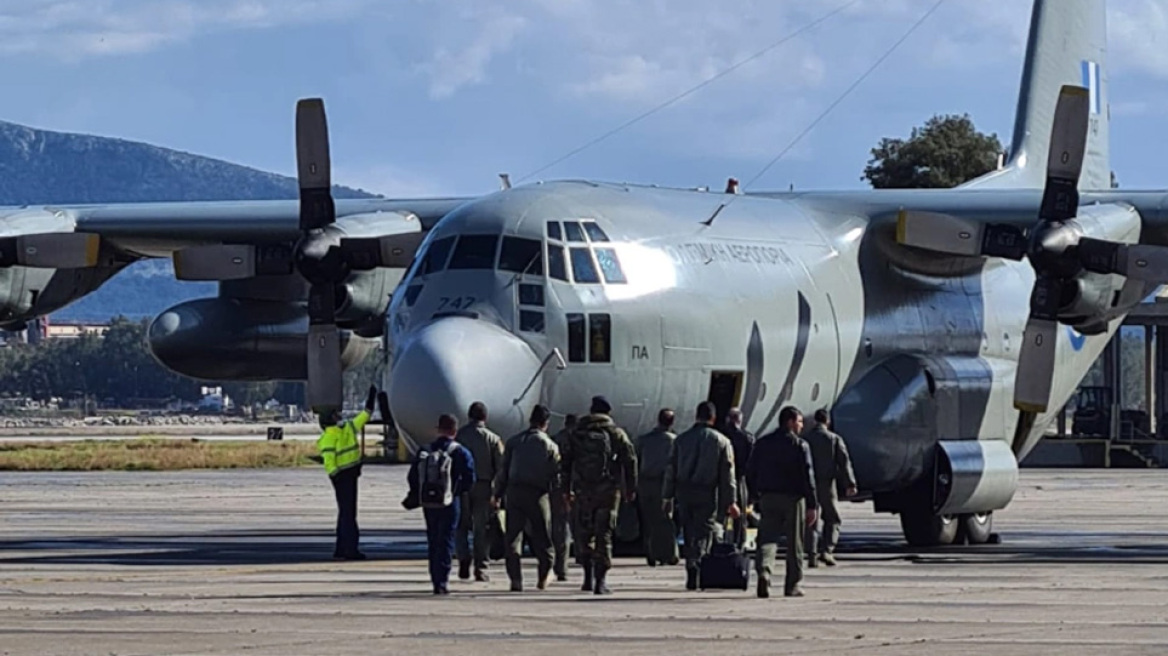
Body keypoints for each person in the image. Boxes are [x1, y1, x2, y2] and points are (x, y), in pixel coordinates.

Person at [561, 395, 637, 595]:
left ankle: (586, 578)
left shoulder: (577, 433)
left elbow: (566, 463)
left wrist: (565, 490)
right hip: (608, 491)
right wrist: (630, 488)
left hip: (582, 490)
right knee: (604, 533)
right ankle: (600, 582)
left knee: (584, 532)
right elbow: (630, 461)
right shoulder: (615, 433)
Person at [663, 401, 738, 591]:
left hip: (684, 491)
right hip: (707, 492)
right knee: (704, 532)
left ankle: (690, 564)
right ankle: (697, 563)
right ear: (713, 418)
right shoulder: (721, 441)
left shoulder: (680, 440)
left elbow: (671, 469)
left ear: (696, 416)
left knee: (688, 531)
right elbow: (727, 475)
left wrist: (667, 496)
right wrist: (731, 501)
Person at [747, 406, 818, 598]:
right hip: (793, 499)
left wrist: (754, 495)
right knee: (795, 544)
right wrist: (813, 505)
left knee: (767, 538)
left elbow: (750, 471)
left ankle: (764, 571)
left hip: (768, 497)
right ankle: (792, 585)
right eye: (799, 421)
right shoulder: (800, 445)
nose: (802, 426)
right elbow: (808, 476)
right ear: (790, 422)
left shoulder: (763, 443)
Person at [404, 414, 476, 595]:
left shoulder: (425, 450)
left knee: (433, 539)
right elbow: (470, 478)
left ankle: (434, 577)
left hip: (429, 502)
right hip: (450, 502)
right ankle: (442, 581)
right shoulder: (460, 452)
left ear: (438, 429)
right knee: (446, 540)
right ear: (455, 430)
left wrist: (420, 493)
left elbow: (412, 476)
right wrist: (456, 491)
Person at [494, 405, 561, 592]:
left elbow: (503, 471)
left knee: (513, 538)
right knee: (543, 536)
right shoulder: (549, 445)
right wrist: (560, 495)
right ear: (545, 423)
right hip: (538, 494)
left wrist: (497, 494)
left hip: (514, 493)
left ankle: (515, 579)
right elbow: (556, 474)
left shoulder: (515, 442)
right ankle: (544, 575)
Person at [316, 386, 377, 561]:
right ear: (330, 419)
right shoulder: (333, 435)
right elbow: (329, 462)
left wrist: (370, 403)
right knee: (349, 514)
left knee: (345, 513)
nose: (339, 415)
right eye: (335, 414)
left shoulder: (344, 429)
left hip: (346, 476)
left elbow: (364, 417)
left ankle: (341, 548)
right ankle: (350, 549)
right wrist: (337, 476)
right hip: (344, 477)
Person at [454, 401, 504, 582]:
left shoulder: (460, 437)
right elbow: (501, 468)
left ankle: (463, 558)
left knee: (461, 526)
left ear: (469, 416)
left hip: (462, 488)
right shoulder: (493, 438)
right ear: (485, 417)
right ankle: (481, 568)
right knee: (481, 529)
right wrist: (497, 494)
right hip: (484, 487)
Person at [803, 408, 858, 567]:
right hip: (827, 484)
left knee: (810, 519)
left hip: (809, 483)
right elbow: (844, 462)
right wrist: (850, 483)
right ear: (827, 421)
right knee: (832, 518)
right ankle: (827, 550)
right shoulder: (834, 439)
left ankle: (811, 553)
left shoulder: (806, 439)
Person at [636, 408, 679, 567]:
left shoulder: (644, 440)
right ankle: (669, 554)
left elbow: (636, 460)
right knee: (666, 519)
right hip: (664, 484)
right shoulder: (675, 441)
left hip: (645, 483)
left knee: (649, 520)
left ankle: (651, 553)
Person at [722, 407, 755, 550]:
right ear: (740, 420)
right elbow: (752, 464)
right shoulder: (748, 438)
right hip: (740, 478)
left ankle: (719, 543)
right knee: (740, 515)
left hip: (721, 478)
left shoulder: (720, 436)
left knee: (720, 514)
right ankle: (739, 544)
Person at [550, 414, 577, 581]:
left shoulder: (554, 440)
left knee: (559, 527)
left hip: (558, 488)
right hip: (578, 488)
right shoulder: (581, 442)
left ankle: (560, 566)